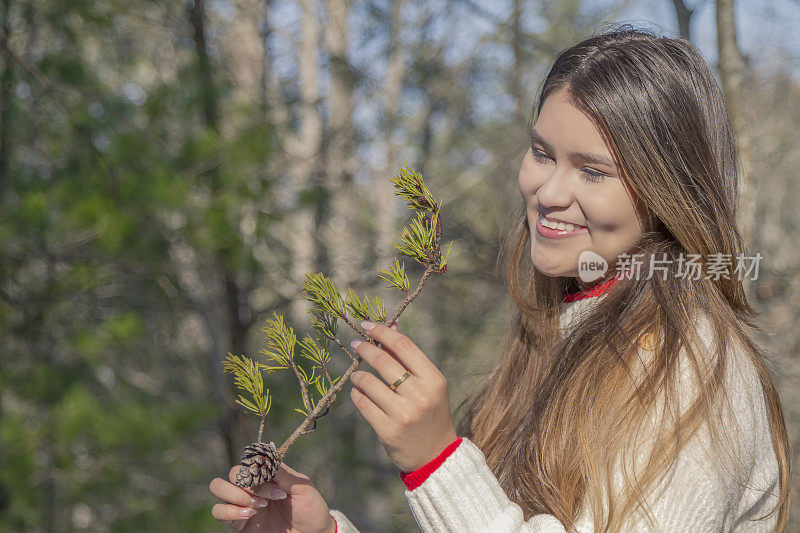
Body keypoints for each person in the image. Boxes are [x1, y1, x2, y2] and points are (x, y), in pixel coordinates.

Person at [208, 25, 790, 532]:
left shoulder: (690, 368)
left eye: (593, 171)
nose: (549, 193)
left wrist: (438, 462)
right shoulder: (561, 324)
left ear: (668, 191)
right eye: (542, 153)